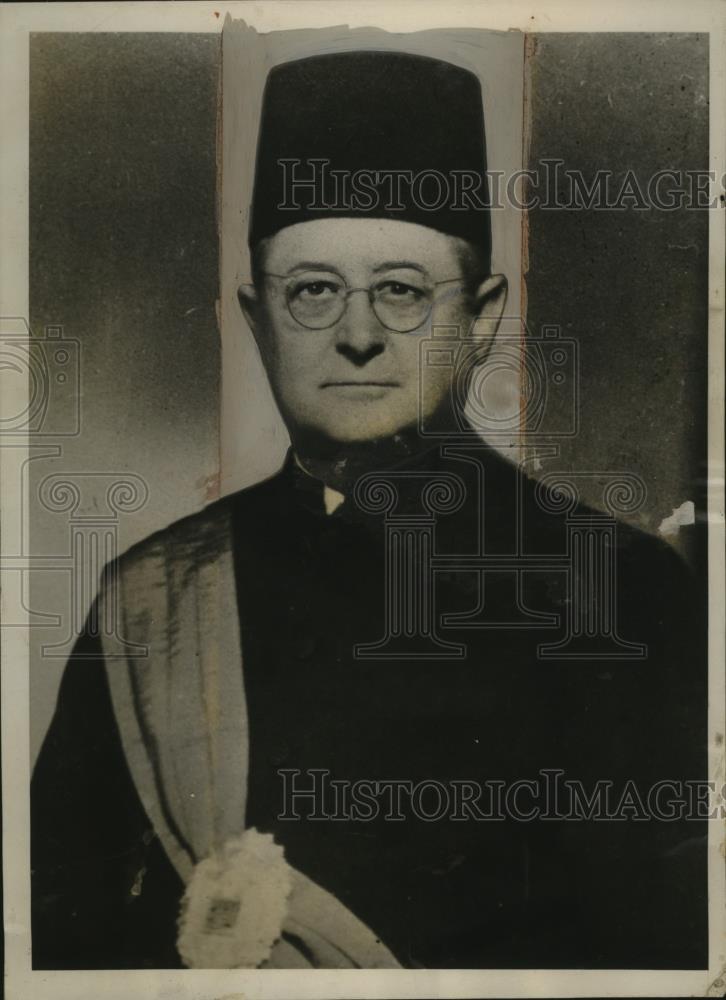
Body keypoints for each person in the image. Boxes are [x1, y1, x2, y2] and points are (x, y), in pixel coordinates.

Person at [31, 49, 707, 971]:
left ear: (482, 316)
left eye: (400, 289)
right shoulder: (149, 596)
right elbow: (59, 938)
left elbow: (668, 953)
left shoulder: (622, 588)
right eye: (312, 290)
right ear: (255, 317)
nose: (356, 335)